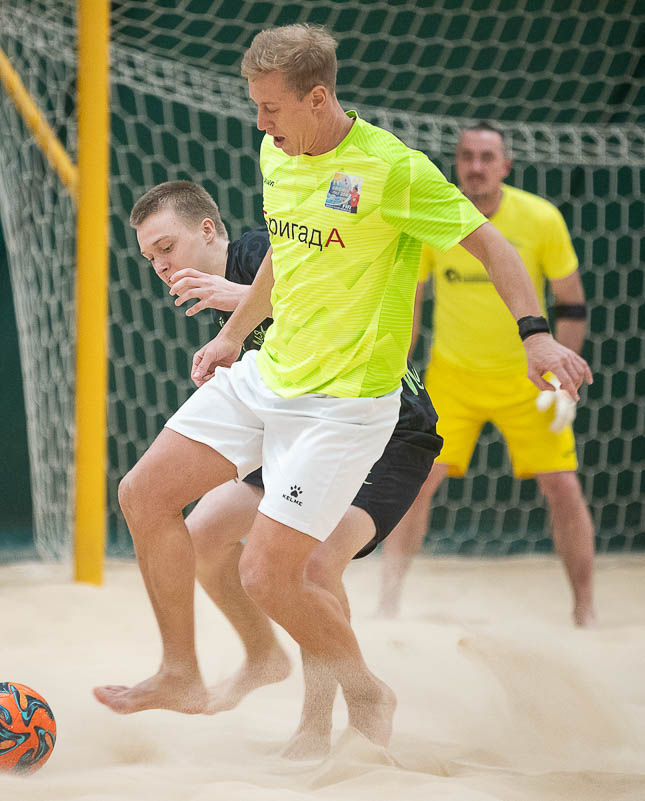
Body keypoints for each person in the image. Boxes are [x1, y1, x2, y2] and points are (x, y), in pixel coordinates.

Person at [93, 23, 591, 749]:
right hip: (273, 376)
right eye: (255, 105)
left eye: (270, 107)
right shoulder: (278, 152)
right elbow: (286, 250)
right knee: (145, 495)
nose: (258, 122)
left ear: (317, 98)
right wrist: (232, 336)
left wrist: (536, 334)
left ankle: (360, 697)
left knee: (277, 572)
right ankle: (183, 669)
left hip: (353, 407)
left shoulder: (392, 169)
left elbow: (491, 245)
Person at [123, 179, 442, 757]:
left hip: (386, 428)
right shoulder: (219, 295)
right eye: (150, 259)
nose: (161, 266)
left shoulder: (260, 253)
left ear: (209, 230)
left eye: (166, 248)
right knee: (201, 536)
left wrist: (237, 299)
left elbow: (328, 291)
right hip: (298, 422)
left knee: (310, 568)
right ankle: (262, 655)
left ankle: (321, 722)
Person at [377, 122, 597, 627]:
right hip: (452, 379)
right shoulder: (436, 216)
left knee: (563, 487)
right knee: (414, 484)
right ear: (456, 163)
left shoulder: (541, 218)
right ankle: (387, 604)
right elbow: (411, 302)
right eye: (467, 156)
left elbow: (572, 303)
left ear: (506, 166)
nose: (476, 167)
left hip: (528, 380)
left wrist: (562, 374)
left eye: (486, 157)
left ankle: (585, 611)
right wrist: (397, 373)